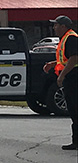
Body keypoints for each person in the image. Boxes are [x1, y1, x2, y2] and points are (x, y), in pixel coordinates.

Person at [43, 15, 77, 150]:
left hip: (74, 77)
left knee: (75, 108)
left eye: (56, 25)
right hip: (71, 77)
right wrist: (53, 64)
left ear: (64, 26)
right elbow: (66, 58)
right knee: (73, 110)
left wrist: (62, 76)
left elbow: (74, 58)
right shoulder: (66, 38)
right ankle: (76, 141)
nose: (54, 28)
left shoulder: (71, 38)